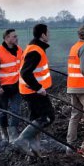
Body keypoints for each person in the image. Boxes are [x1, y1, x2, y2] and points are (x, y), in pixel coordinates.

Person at [12, 24, 54, 157]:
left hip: (29, 90)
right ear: (43, 35)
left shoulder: (34, 48)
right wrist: (38, 87)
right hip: (33, 91)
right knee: (47, 117)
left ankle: (35, 151)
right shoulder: (35, 50)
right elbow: (25, 72)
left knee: (36, 119)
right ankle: (21, 140)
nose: (50, 34)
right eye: (48, 32)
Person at [0, 28, 23, 142]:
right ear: (7, 38)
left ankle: (13, 135)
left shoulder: (19, 50)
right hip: (2, 89)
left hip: (16, 87)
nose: (16, 38)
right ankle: (4, 133)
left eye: (16, 36)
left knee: (16, 111)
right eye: (14, 36)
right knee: (2, 112)